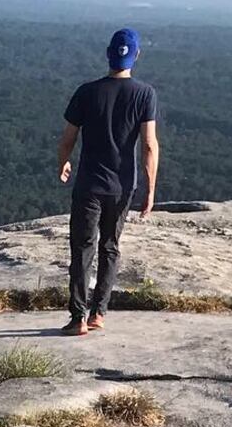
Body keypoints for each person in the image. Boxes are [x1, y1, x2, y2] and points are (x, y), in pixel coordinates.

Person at [56, 29, 160, 336]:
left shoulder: (87, 92)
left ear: (108, 53)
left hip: (89, 183)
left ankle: (78, 317)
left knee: (82, 248)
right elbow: (149, 145)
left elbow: (68, 139)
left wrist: (63, 162)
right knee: (110, 247)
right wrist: (150, 188)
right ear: (136, 55)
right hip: (122, 186)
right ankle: (99, 313)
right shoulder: (144, 94)